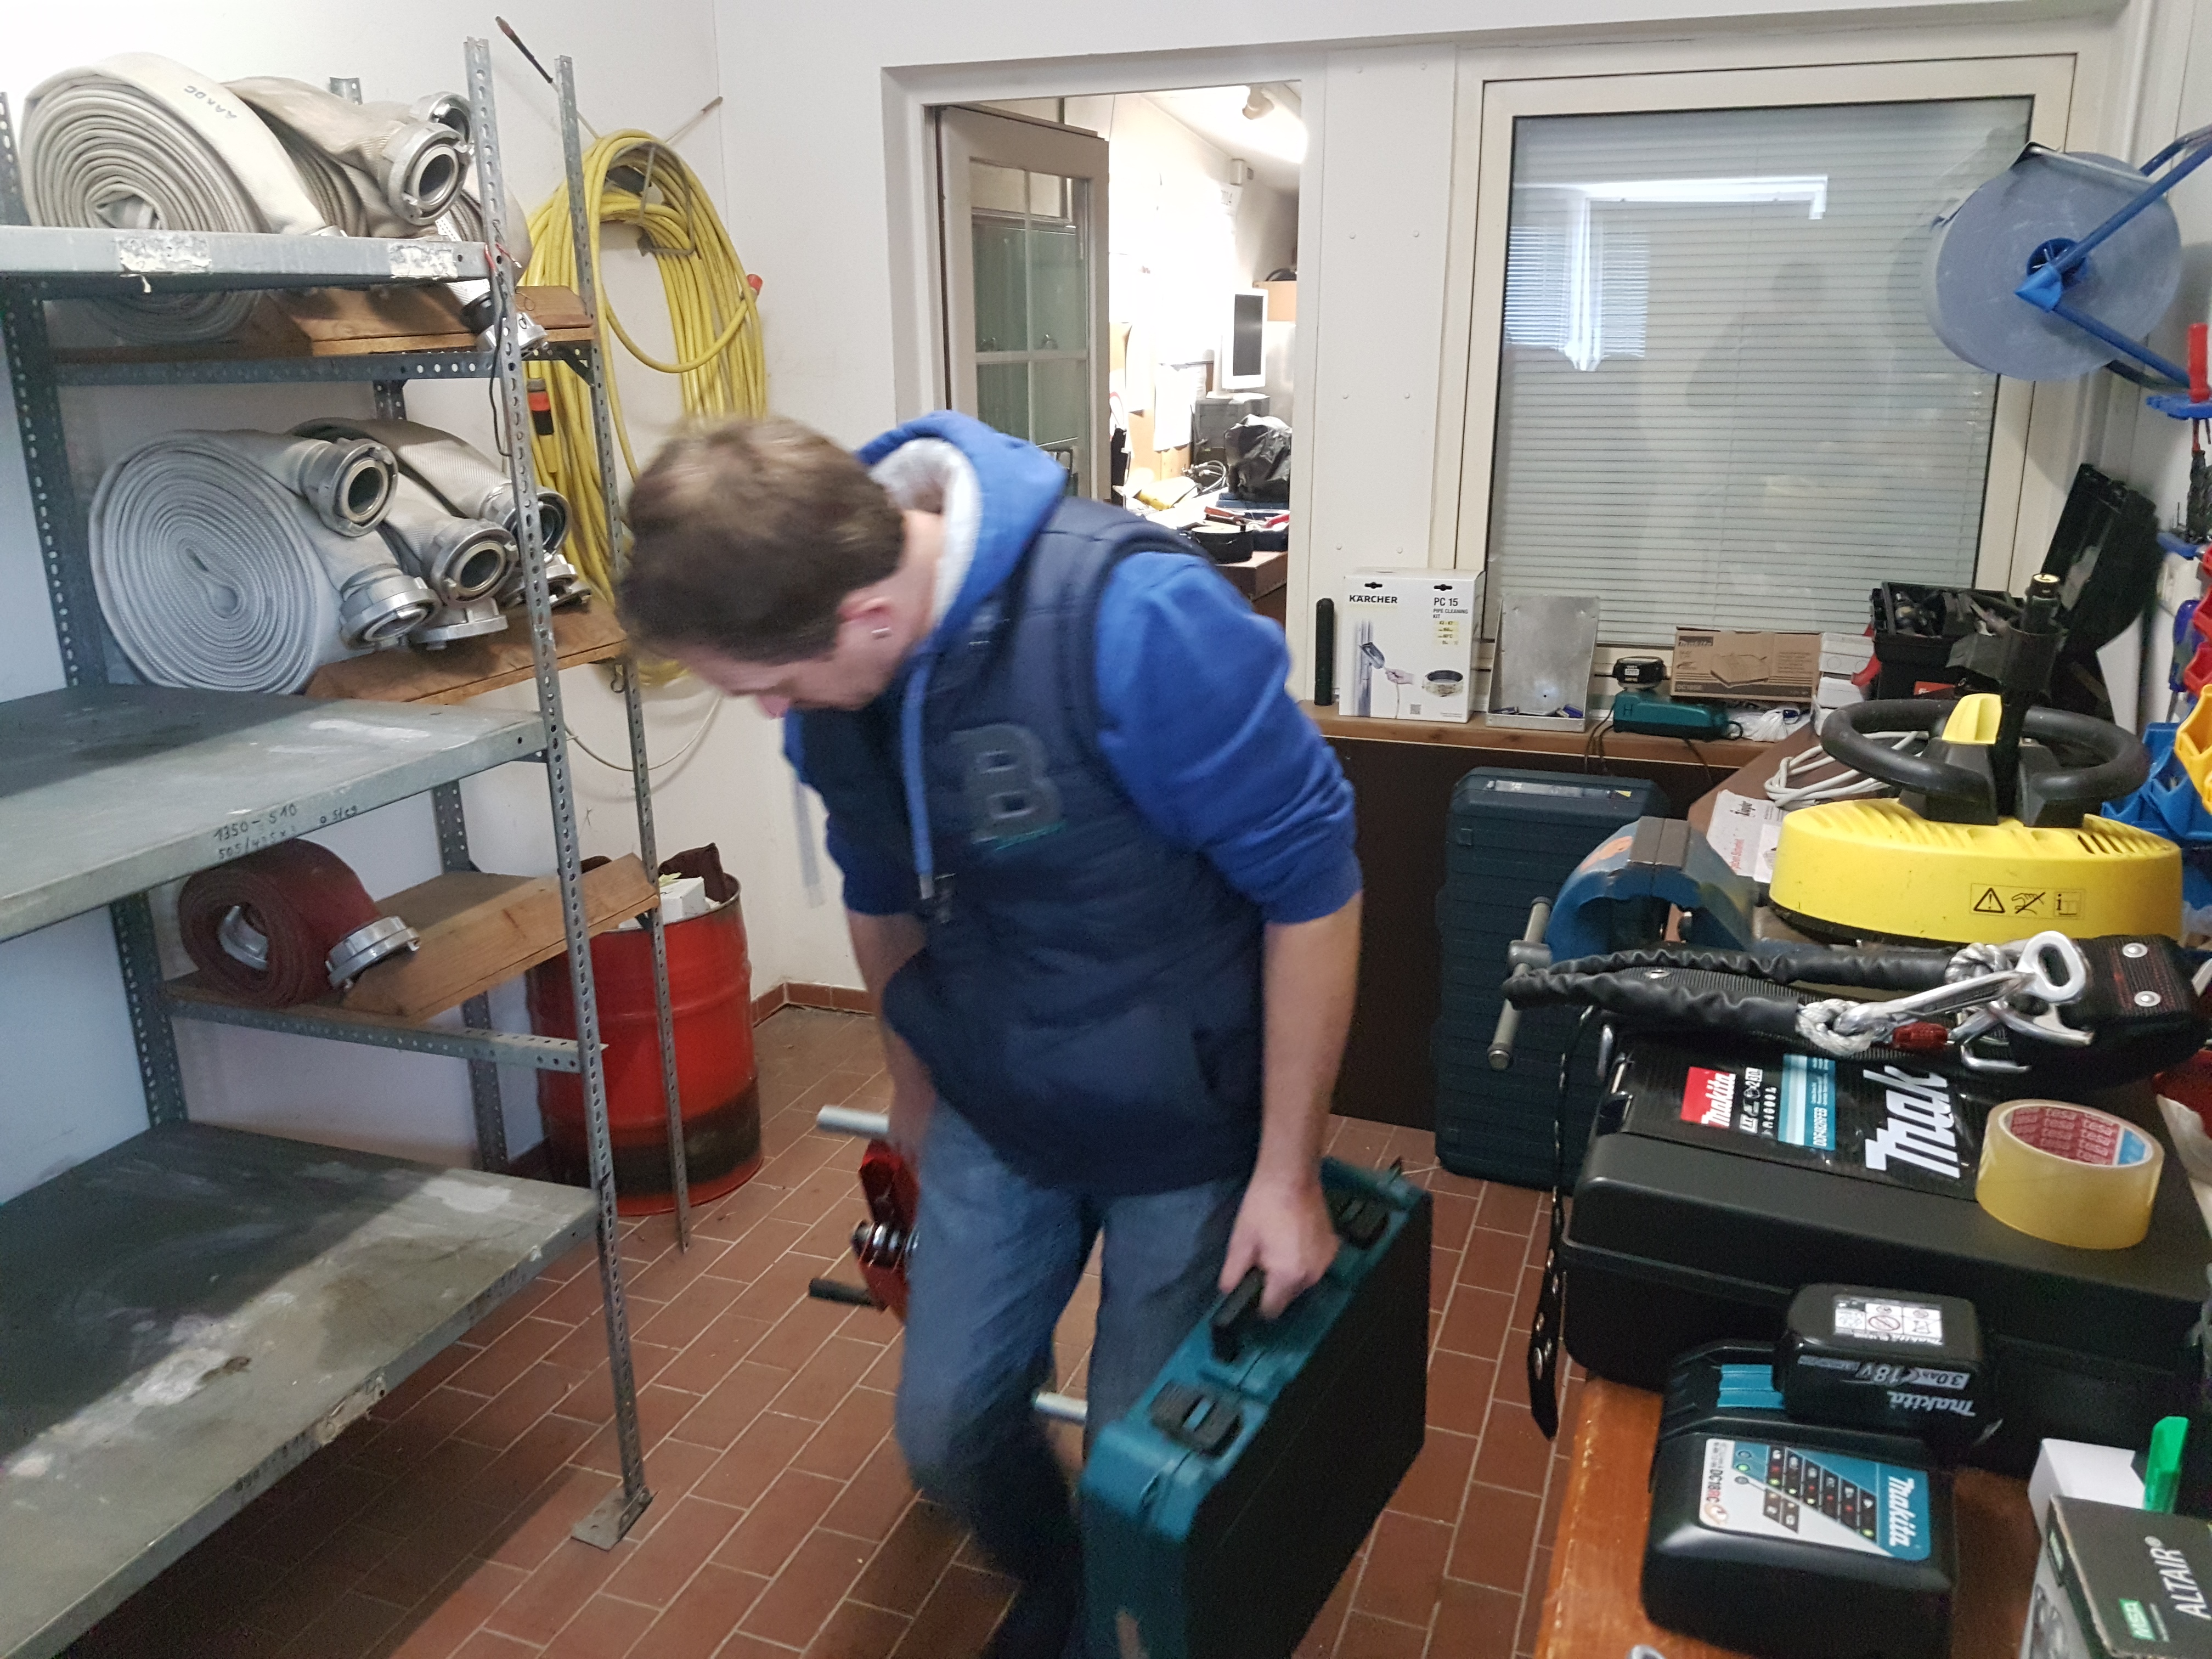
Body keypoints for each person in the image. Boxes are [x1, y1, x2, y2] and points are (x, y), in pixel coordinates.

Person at [618, 411, 1362, 1659]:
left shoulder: (1138, 623)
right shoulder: (839, 691)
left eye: (767, 686)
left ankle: (1121, 1616)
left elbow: (1315, 888)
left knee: (1143, 1468)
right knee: (949, 1431)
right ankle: (1069, 1582)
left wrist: (1287, 1175)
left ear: (869, 617)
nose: (770, 714)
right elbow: (880, 891)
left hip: (1185, 1116)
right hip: (994, 1096)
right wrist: (911, 1085)